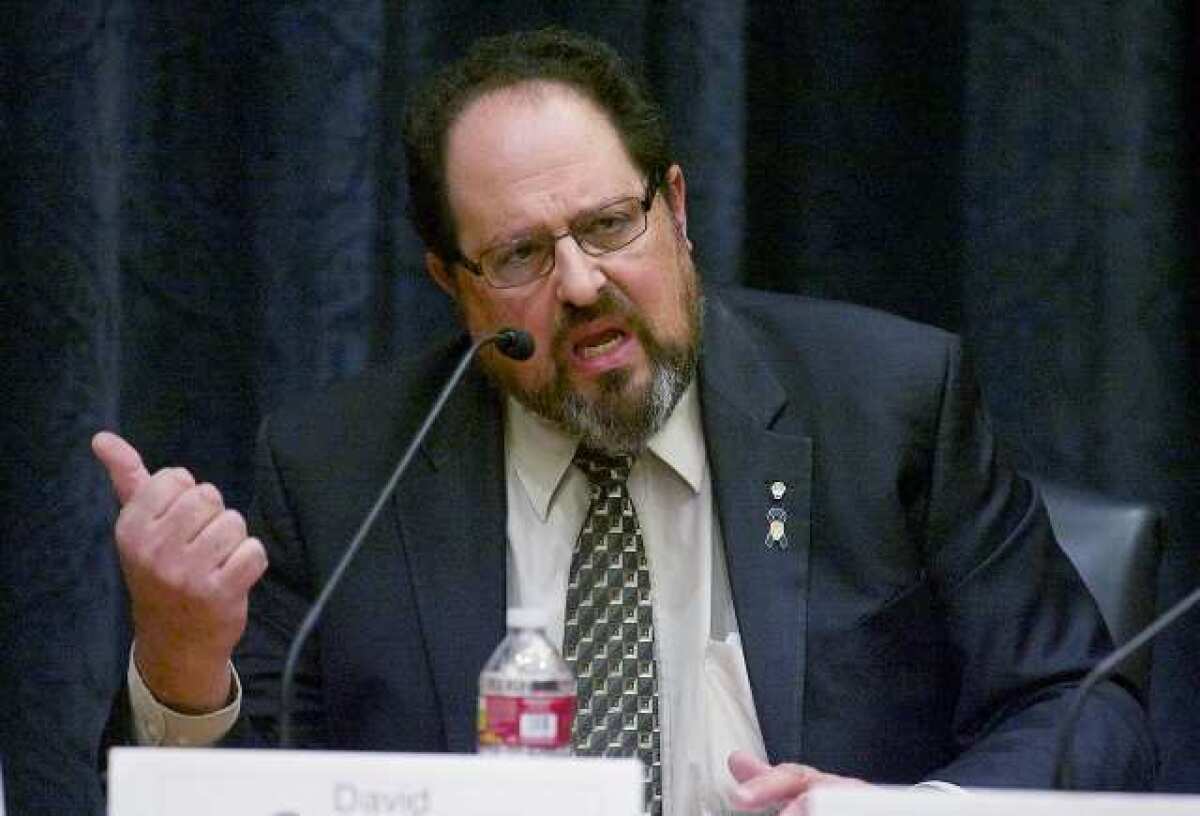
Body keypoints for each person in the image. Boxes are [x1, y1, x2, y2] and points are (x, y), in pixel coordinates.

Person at [92, 27, 1153, 816]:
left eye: (609, 224)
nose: (583, 283)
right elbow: (254, 792)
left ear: (677, 210)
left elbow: (1083, 709)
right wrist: (186, 672)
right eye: (518, 256)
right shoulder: (344, 470)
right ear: (452, 284)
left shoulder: (887, 404)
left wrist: (896, 813)